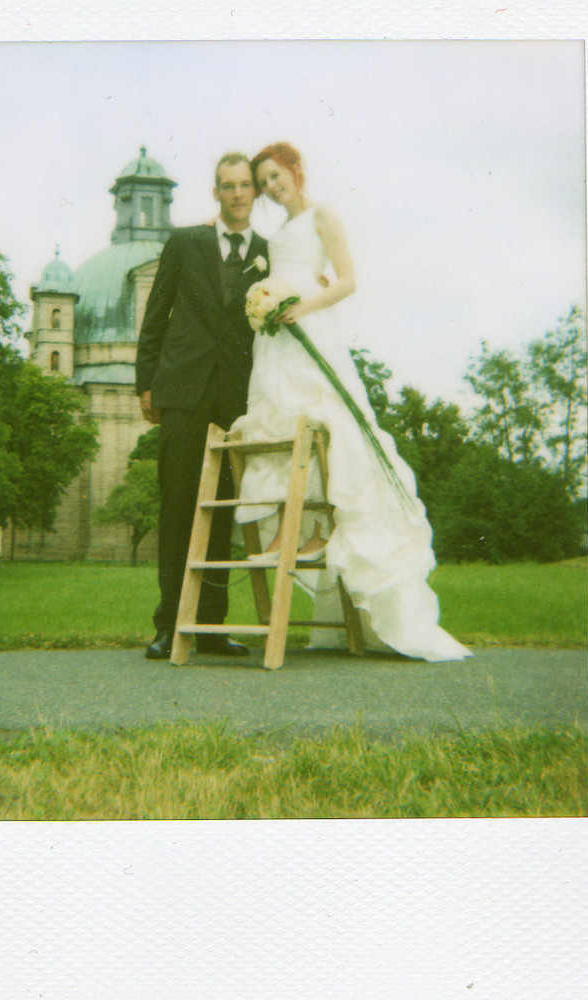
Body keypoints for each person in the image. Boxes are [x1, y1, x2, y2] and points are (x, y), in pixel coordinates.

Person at [231, 142, 470, 662]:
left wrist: (298, 305)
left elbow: (348, 280)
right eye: (264, 180)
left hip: (309, 325)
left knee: (325, 423)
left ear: (295, 170)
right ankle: (302, 527)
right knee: (281, 423)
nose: (272, 186)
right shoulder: (274, 233)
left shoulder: (324, 214)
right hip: (277, 338)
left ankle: (320, 529)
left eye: (276, 176)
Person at [135, 152, 270, 659]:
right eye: (227, 186)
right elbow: (156, 315)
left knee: (223, 511)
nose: (237, 194)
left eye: (244, 186)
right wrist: (146, 383)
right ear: (215, 193)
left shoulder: (267, 253)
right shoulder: (184, 242)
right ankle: (169, 624)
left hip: (235, 399)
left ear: (254, 194)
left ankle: (211, 627)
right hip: (183, 391)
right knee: (178, 505)